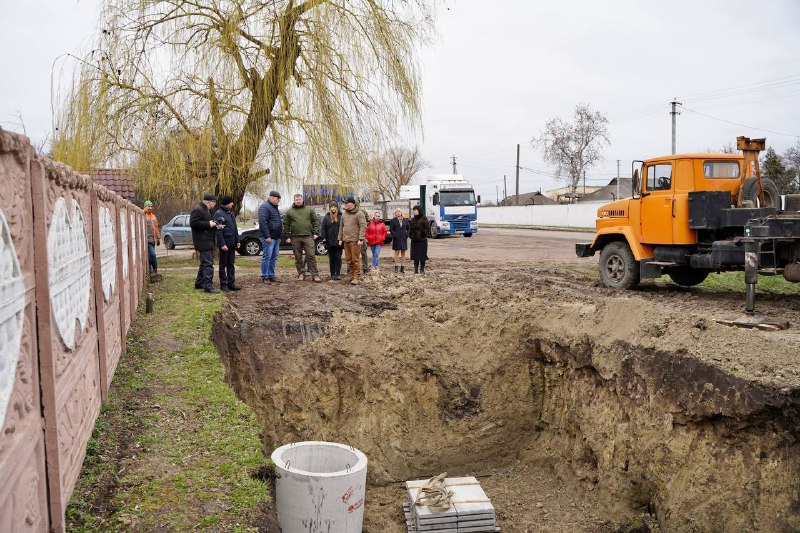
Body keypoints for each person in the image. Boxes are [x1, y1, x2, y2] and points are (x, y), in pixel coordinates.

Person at [284, 193, 321, 282]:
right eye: (296, 199)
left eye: (299, 199)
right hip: (295, 237)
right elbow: (286, 224)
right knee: (298, 257)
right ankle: (301, 274)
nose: (298, 201)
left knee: (311, 256)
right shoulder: (290, 211)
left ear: (302, 200)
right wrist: (287, 236)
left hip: (308, 236)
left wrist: (316, 232)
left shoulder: (309, 209)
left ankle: (315, 275)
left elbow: (316, 220)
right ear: (294, 200)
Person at [190, 193, 223, 293]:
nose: (215, 204)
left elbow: (208, 224)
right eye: (214, 202)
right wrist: (209, 224)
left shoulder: (207, 210)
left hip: (207, 240)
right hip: (202, 241)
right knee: (208, 264)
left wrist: (217, 226)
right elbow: (193, 223)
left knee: (204, 264)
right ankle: (208, 286)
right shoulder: (198, 210)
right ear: (209, 202)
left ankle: (199, 283)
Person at [214, 196, 241, 291]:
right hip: (225, 244)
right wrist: (222, 244)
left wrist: (237, 241)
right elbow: (218, 230)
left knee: (231, 264)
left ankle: (231, 283)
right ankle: (223, 284)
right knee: (223, 264)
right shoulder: (218, 214)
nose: (233, 204)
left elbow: (235, 228)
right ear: (227, 203)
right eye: (231, 203)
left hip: (232, 244)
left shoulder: (231, 214)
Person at [338, 197, 367, 285]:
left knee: (355, 260)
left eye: (347, 203)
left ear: (352, 204)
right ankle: (352, 274)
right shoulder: (344, 214)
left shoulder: (359, 213)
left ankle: (357, 276)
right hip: (346, 240)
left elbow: (363, 226)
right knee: (349, 260)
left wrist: (361, 238)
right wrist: (340, 238)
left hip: (355, 241)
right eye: (345, 203)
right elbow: (341, 227)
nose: (345, 205)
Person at [258, 191, 282, 283]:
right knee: (267, 257)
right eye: (278, 198)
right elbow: (263, 222)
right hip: (268, 238)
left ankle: (271, 275)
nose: (279, 201)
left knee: (274, 257)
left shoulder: (275, 208)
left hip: (275, 238)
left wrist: (279, 236)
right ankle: (265, 276)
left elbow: (278, 222)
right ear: (272, 198)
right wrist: (267, 236)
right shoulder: (264, 207)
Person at [320, 201, 343, 281]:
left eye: (334, 207)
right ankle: (332, 273)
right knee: (331, 258)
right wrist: (324, 238)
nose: (333, 208)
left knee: (338, 257)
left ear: (337, 207)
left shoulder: (341, 216)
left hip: (338, 241)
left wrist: (341, 239)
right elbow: (323, 228)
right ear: (330, 208)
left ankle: (338, 274)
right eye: (331, 207)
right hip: (329, 241)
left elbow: (343, 228)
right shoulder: (326, 217)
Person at [408, 204, 428, 275]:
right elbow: (410, 229)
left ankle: (422, 269)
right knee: (415, 255)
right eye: (413, 210)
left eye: (415, 210)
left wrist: (422, 235)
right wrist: (411, 236)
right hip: (414, 240)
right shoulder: (412, 219)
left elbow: (426, 229)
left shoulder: (424, 219)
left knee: (422, 255)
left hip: (422, 240)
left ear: (419, 210)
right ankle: (415, 269)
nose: (414, 212)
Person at [389, 208, 409, 273]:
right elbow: (391, 230)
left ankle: (402, 267)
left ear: (401, 212)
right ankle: (396, 267)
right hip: (396, 239)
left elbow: (408, 229)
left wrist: (406, 235)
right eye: (396, 212)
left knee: (403, 253)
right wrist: (395, 235)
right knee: (396, 253)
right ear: (395, 213)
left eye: (399, 211)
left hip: (403, 239)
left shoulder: (405, 220)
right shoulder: (393, 220)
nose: (398, 212)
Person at [143, 200, 160, 275]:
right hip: (146, 239)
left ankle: (151, 271)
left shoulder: (153, 216)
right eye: (148, 206)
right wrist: (144, 211)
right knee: (152, 254)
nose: (150, 208)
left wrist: (158, 237)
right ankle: (155, 268)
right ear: (145, 207)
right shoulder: (143, 215)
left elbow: (156, 228)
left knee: (150, 256)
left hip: (153, 240)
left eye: (151, 206)